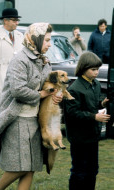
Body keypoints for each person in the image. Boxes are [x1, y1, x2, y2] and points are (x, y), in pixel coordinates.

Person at [0, 23, 63, 190]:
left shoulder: (44, 61)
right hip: (17, 119)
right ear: (36, 39)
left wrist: (55, 93)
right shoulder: (20, 60)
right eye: (46, 40)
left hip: (35, 120)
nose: (49, 44)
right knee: (21, 166)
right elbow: (18, 90)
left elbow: (48, 83)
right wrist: (40, 95)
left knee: (31, 167)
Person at [64, 51, 111, 190]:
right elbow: (72, 113)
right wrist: (94, 117)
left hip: (92, 136)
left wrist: (102, 104)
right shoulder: (74, 89)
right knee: (79, 171)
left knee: (92, 170)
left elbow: (93, 104)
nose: (97, 72)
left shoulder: (95, 84)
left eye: (97, 69)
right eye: (93, 69)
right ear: (84, 69)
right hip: (79, 137)